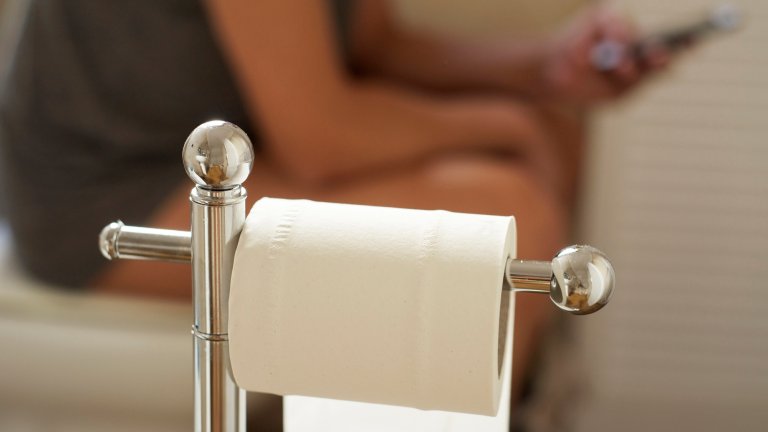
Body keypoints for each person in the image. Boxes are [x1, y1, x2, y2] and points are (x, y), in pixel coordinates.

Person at [0, 0, 670, 420]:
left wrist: (543, 69)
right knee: (501, 214)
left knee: (536, 153)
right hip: (108, 198)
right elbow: (322, 134)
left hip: (223, 152)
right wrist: (510, 125)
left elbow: (369, 49)